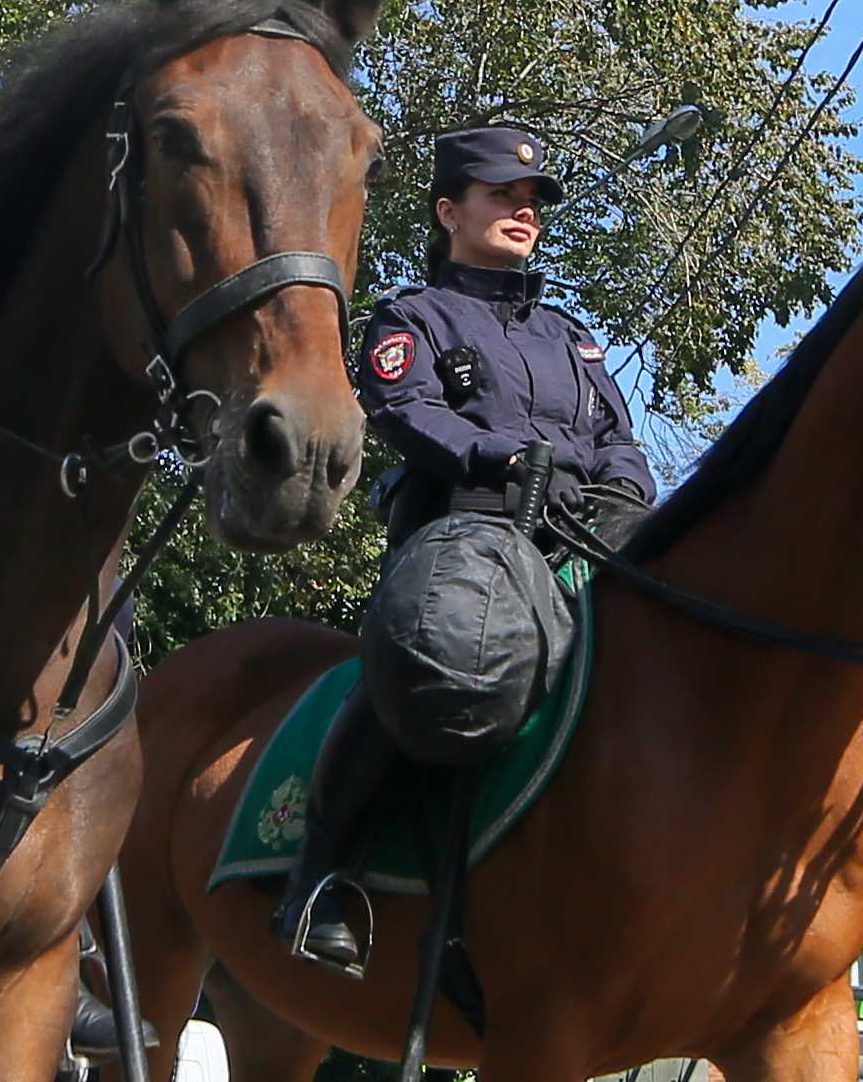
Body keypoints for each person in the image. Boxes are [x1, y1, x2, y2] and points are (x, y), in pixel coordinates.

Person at [272, 126, 656, 977]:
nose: (522, 211)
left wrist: (627, 495)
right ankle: (322, 873)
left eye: (532, 202)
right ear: (450, 211)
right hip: (465, 534)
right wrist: (500, 457)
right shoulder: (411, 315)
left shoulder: (569, 337)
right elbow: (405, 407)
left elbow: (617, 437)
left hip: (576, 545)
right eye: (500, 196)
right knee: (442, 650)